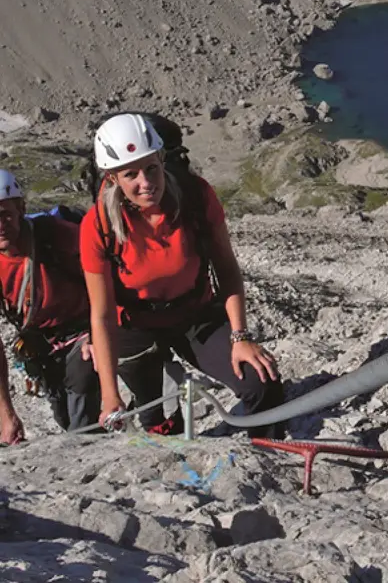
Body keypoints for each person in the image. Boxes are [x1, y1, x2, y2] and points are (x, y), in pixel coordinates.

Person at [80, 112, 285, 438]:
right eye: (130, 174)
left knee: (261, 383)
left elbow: (226, 269)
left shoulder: (195, 196)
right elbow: (102, 314)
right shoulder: (99, 225)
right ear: (112, 178)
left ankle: (266, 453)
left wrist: (240, 337)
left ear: (162, 158)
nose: (146, 183)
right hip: (135, 326)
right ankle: (160, 429)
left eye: (151, 167)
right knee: (152, 412)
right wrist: (109, 394)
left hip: (195, 314)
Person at [0, 168, 101, 442]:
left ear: (21, 209)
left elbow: (104, 278)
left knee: (81, 412)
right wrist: (5, 413)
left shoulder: (58, 236)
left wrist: (99, 332)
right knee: (64, 417)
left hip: (83, 332)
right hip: (42, 347)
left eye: (5, 214)